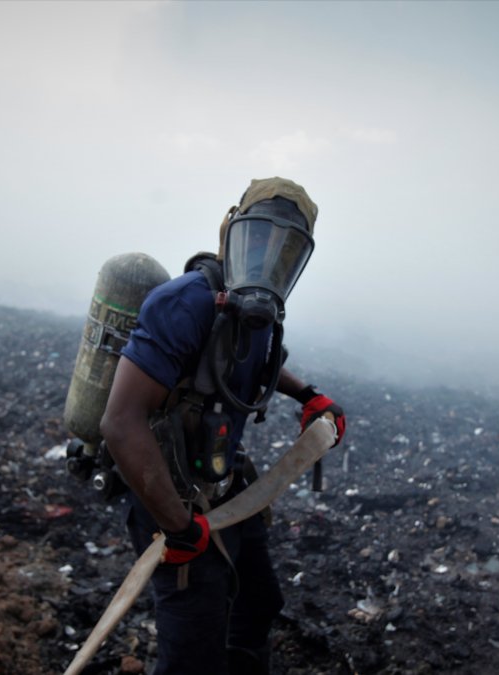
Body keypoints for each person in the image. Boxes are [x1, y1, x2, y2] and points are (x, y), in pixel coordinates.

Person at [100, 177, 346, 674]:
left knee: (258, 603)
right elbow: (120, 422)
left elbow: (255, 360)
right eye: (259, 236)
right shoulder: (184, 302)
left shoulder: (259, 311)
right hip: (171, 500)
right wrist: (177, 528)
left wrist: (308, 395)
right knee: (193, 649)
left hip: (226, 487)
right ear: (232, 231)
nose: (268, 255)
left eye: (286, 248)